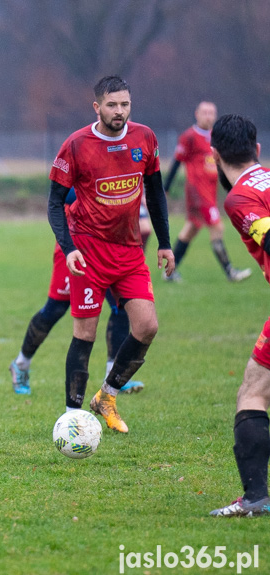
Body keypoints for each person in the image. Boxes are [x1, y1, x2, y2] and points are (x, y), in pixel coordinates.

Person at [47, 76, 174, 434]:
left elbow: (156, 193)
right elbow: (55, 203)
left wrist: (164, 243)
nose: (119, 112)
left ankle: (107, 395)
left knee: (147, 326)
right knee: (84, 334)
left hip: (130, 250)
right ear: (97, 107)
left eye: (125, 105)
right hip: (89, 251)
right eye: (112, 105)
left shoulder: (145, 138)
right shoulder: (76, 144)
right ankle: (72, 416)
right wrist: (69, 248)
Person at [10, 189, 148, 395]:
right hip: (75, 245)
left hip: (110, 246)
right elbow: (63, 195)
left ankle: (113, 375)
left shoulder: (121, 159)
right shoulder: (82, 157)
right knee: (56, 308)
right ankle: (21, 364)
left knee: (120, 306)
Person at [211, 114, 270, 516]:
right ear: (258, 150)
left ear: (214, 155)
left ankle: (255, 498)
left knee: (252, 391)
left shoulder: (239, 199)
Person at [163, 101, 251, 283]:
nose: (209, 116)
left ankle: (169, 272)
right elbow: (177, 162)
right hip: (197, 193)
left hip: (209, 192)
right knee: (218, 227)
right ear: (197, 114)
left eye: (212, 113)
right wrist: (166, 188)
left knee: (191, 230)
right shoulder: (189, 136)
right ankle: (230, 272)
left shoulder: (216, 138)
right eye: (205, 112)